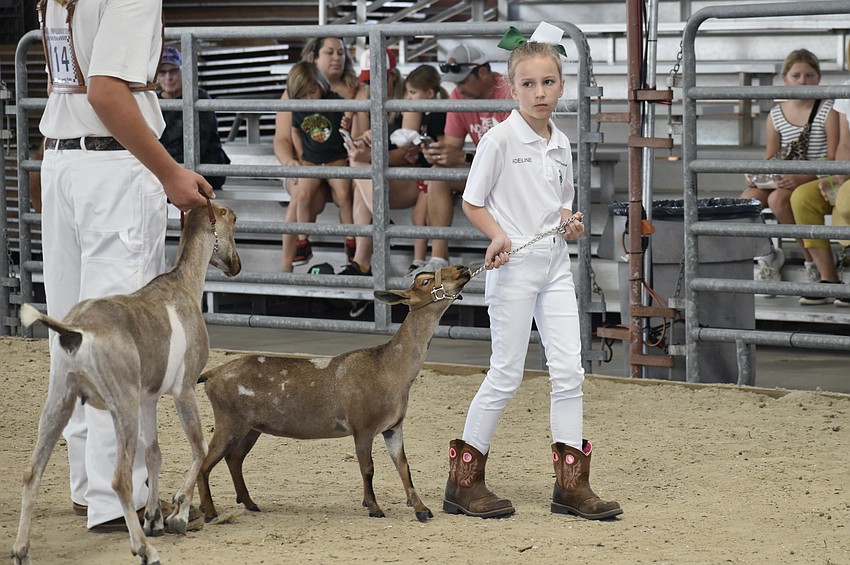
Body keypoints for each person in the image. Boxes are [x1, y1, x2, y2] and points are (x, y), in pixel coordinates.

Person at [36, 0, 211, 532]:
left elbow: (68, 81)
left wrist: (59, 165)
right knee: (124, 340)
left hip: (65, 159)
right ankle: (121, 500)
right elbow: (106, 91)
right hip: (114, 167)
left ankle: (89, 487)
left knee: (72, 330)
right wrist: (169, 172)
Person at [442, 23, 622, 521]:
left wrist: (570, 222)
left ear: (562, 86)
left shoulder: (561, 143)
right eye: (528, 84)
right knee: (506, 373)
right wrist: (496, 235)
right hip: (514, 270)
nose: (539, 93)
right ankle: (463, 483)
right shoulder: (500, 140)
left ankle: (571, 488)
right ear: (511, 87)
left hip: (555, 270)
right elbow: (473, 203)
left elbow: (560, 206)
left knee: (570, 371)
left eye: (548, 83)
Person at [412, 42, 512, 275]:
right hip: (485, 173)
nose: (459, 87)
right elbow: (451, 146)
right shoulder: (458, 95)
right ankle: (439, 258)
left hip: (513, 173)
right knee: (439, 173)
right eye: (456, 82)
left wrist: (464, 156)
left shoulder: (508, 90)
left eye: (464, 80)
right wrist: (439, 153)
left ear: (484, 72)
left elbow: (514, 155)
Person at [741, 49, 838, 286]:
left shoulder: (829, 110)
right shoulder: (776, 114)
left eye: (809, 75)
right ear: (785, 79)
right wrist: (758, 177)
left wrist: (802, 177)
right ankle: (768, 256)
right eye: (796, 75)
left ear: (819, 78)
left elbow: (835, 158)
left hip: (815, 176)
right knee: (748, 199)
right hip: (784, 177)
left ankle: (811, 260)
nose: (802, 81)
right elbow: (772, 157)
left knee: (778, 201)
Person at [275, 37, 362, 267]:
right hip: (309, 162)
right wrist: (291, 161)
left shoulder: (356, 90)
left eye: (341, 53)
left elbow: (359, 131)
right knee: (300, 191)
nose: (336, 58)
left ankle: (356, 256)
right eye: (330, 52)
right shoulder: (294, 92)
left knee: (350, 190)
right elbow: (283, 137)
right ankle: (288, 261)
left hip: (337, 160)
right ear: (314, 57)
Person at [789, 72, 850, 306]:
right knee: (802, 197)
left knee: (846, 200)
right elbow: (845, 143)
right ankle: (829, 279)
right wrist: (839, 177)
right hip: (848, 171)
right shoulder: (847, 88)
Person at [157, 46, 231, 191]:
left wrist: (167, 168)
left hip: (204, 170)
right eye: (162, 72)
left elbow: (200, 142)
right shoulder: (155, 101)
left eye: (173, 70)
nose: (168, 77)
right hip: (168, 170)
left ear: (183, 71)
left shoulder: (199, 99)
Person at [401, 64, 449, 273]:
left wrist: (428, 153)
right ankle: (418, 261)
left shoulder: (438, 114)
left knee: (423, 215)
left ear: (429, 93)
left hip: (434, 172)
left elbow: (443, 146)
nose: (409, 98)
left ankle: (427, 261)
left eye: (413, 92)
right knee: (418, 217)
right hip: (425, 171)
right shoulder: (423, 114)